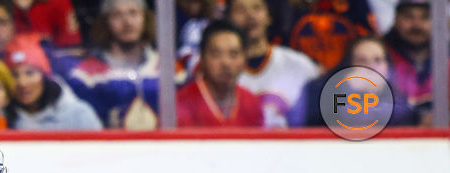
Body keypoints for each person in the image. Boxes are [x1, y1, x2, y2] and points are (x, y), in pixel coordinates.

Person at [67, 0, 174, 129]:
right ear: (105, 23)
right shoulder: (85, 75)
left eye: (133, 13)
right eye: (117, 15)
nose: (127, 22)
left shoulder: (168, 66)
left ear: (145, 18)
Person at [287, 34, 419, 126]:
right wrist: (346, 89)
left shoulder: (396, 91)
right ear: (348, 64)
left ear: (387, 65)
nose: (370, 67)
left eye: (377, 60)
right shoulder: (316, 90)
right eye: (362, 60)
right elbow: (297, 123)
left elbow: (403, 116)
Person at [226, 0, 318, 127]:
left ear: (268, 16)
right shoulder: (219, 68)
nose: (250, 15)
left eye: (256, 8)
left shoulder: (300, 65)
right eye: (241, 10)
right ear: (229, 18)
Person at [176, 19, 265, 127]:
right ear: (202, 58)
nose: (225, 63)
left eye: (233, 54)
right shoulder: (182, 102)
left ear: (245, 59)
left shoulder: (251, 103)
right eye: (216, 54)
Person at [5, 33, 102, 129]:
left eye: (30, 73)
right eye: (14, 75)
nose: (22, 82)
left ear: (45, 76)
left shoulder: (79, 115)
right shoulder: (2, 117)